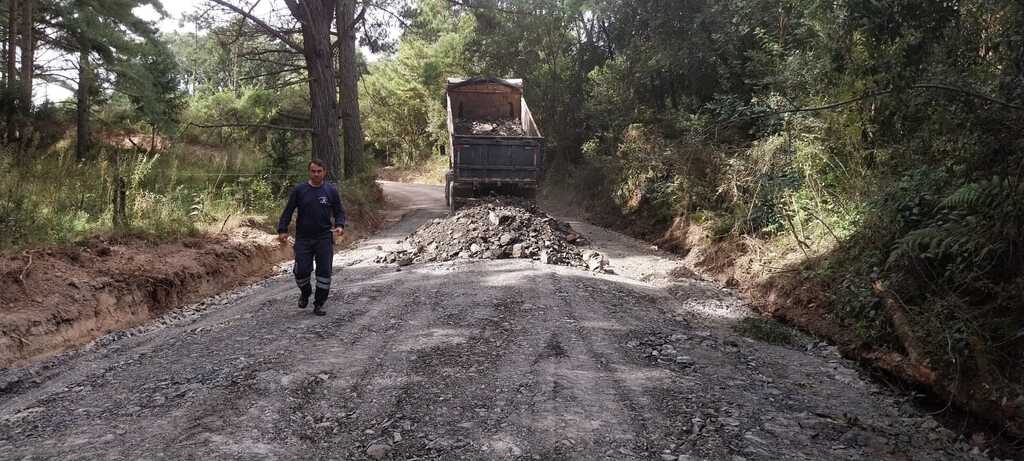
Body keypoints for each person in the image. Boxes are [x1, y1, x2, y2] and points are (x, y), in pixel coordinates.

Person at [277, 159, 346, 316]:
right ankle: (305, 292)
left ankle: (319, 304)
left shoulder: (331, 191)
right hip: (303, 238)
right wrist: (282, 229)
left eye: (319, 171)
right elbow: (288, 211)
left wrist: (340, 225)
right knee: (301, 270)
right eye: (313, 171)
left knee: (324, 272)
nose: (316, 174)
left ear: (324, 172)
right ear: (309, 172)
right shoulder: (300, 190)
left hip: (324, 238)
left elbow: (339, 211)